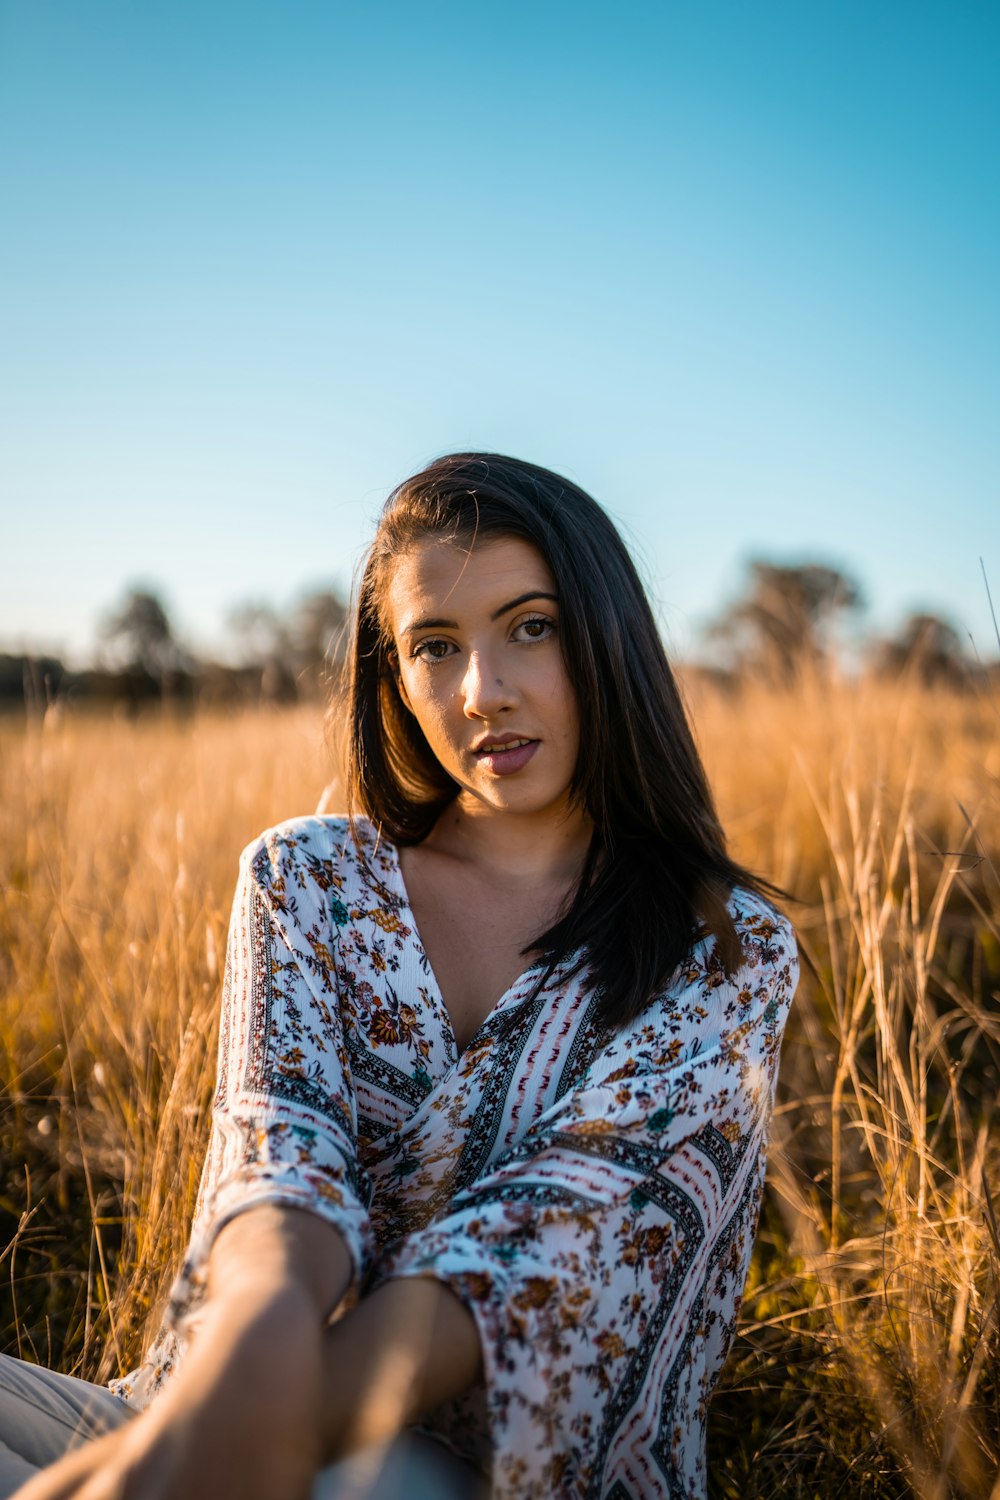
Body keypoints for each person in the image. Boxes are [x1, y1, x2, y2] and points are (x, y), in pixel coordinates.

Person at [1, 453, 798, 1499]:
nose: (483, 693)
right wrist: (207, 1400)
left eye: (531, 626)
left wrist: (190, 1454)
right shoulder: (312, 878)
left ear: (608, 634)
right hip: (208, 1405)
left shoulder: (725, 946)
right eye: (434, 645)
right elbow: (280, 1157)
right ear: (395, 673)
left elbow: (542, 1239)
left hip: (492, 1474)